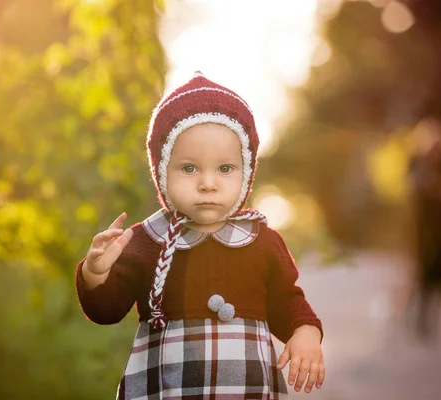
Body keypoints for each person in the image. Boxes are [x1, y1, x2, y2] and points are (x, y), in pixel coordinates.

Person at [75, 72, 325, 399]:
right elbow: (107, 311)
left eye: (225, 168)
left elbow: (287, 301)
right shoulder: (148, 240)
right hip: (165, 390)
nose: (208, 183)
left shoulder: (261, 240)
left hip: (246, 390)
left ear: (246, 171)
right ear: (162, 171)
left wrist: (305, 333)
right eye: (189, 168)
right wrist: (96, 274)